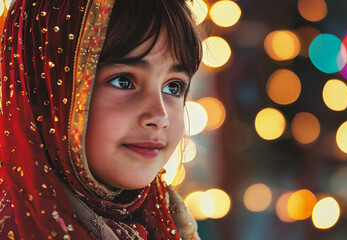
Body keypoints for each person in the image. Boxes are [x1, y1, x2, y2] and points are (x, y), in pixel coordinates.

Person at [0, 0, 202, 239]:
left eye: (173, 87)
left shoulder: (167, 219)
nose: (159, 117)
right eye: (123, 81)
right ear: (44, 92)